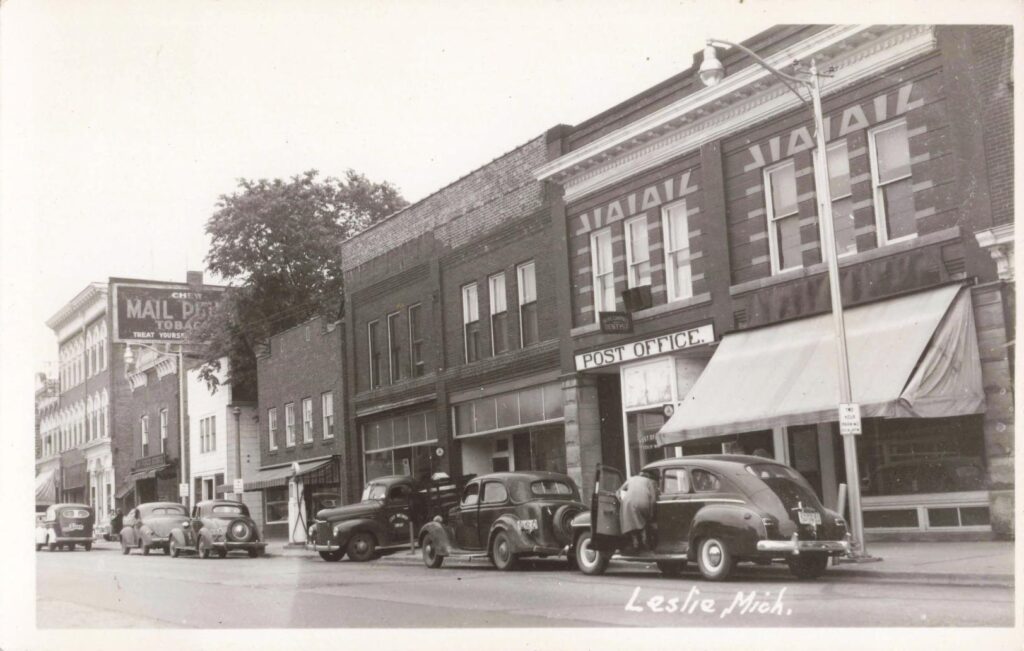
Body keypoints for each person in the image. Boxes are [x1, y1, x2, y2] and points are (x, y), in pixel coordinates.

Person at [618, 469, 658, 551]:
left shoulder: (631, 479)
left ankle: (635, 543)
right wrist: (651, 513)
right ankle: (645, 541)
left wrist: (621, 500)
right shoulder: (650, 481)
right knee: (644, 521)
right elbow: (653, 499)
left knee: (631, 521)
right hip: (644, 503)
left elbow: (619, 491)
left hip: (628, 503)